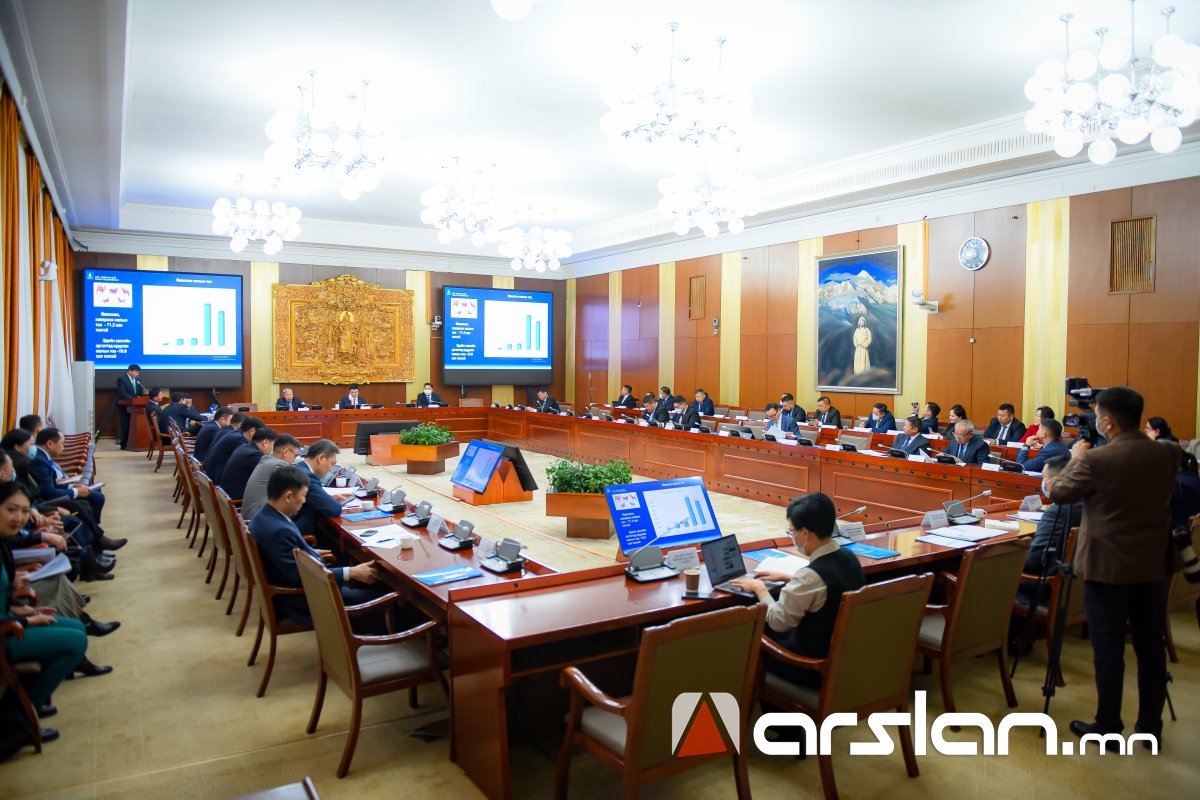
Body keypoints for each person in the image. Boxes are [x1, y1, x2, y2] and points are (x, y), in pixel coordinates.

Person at [1048, 386, 1180, 747]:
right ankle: (1150, 726)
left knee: (1108, 648)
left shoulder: (1096, 460)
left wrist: (1075, 457)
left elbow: (1058, 493)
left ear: (1107, 422)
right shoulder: (1169, 453)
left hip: (1107, 567)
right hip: (1153, 564)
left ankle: (1108, 724)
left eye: (1097, 418)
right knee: (1150, 646)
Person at [730, 492, 866, 689]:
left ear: (805, 533)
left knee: (746, 631)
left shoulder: (810, 578)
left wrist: (759, 589)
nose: (792, 536)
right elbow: (829, 586)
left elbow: (777, 622)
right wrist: (791, 578)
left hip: (810, 667)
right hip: (841, 658)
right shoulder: (850, 557)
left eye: (792, 531)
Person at [0, 482, 90, 761]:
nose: (19, 518)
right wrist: (25, 620)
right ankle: (12, 720)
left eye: (24, 511)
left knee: (77, 627)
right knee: (75, 643)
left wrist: (19, 606)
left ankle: (24, 706)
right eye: (11, 510)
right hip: (5, 633)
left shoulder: (3, 540)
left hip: (11, 618)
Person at [249, 467, 383, 624]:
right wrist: (351, 572)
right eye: (303, 496)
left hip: (300, 589)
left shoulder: (262, 517)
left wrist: (309, 552)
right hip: (306, 601)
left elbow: (286, 557)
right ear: (288, 496)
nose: (304, 501)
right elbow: (299, 577)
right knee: (384, 596)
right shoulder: (279, 531)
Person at [32, 429, 107, 525]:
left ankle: (94, 529)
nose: (63, 448)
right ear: (50, 443)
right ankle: (95, 529)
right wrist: (76, 492)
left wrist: (72, 486)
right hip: (48, 501)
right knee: (92, 500)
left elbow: (51, 484)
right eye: (62, 444)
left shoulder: (41, 457)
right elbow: (49, 492)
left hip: (53, 494)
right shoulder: (39, 461)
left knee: (93, 495)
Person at [291, 439, 345, 541]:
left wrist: (328, 498)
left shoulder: (298, 468)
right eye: (332, 463)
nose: (330, 469)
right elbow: (334, 509)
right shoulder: (307, 477)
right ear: (321, 458)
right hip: (296, 537)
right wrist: (330, 501)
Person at [241, 434, 301, 521]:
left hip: (250, 516)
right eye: (295, 455)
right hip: (258, 520)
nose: (294, 460)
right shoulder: (279, 465)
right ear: (285, 452)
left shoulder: (266, 459)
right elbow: (294, 489)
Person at [219, 427, 277, 501]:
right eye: (273, 445)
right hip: (236, 501)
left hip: (227, 496)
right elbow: (272, 476)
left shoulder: (245, 447)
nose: (272, 450)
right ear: (265, 442)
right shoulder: (253, 455)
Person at [205, 417, 265, 485]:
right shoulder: (239, 439)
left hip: (212, 475)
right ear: (252, 431)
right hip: (217, 480)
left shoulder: (235, 434)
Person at [115, 364, 148, 449]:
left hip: (135, 406)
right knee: (125, 424)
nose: (137, 374)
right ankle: (123, 445)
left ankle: (133, 443)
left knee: (134, 425)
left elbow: (140, 392)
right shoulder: (122, 379)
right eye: (135, 372)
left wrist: (145, 395)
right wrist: (133, 399)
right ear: (129, 371)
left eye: (138, 372)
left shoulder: (138, 379)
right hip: (124, 405)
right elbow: (122, 393)